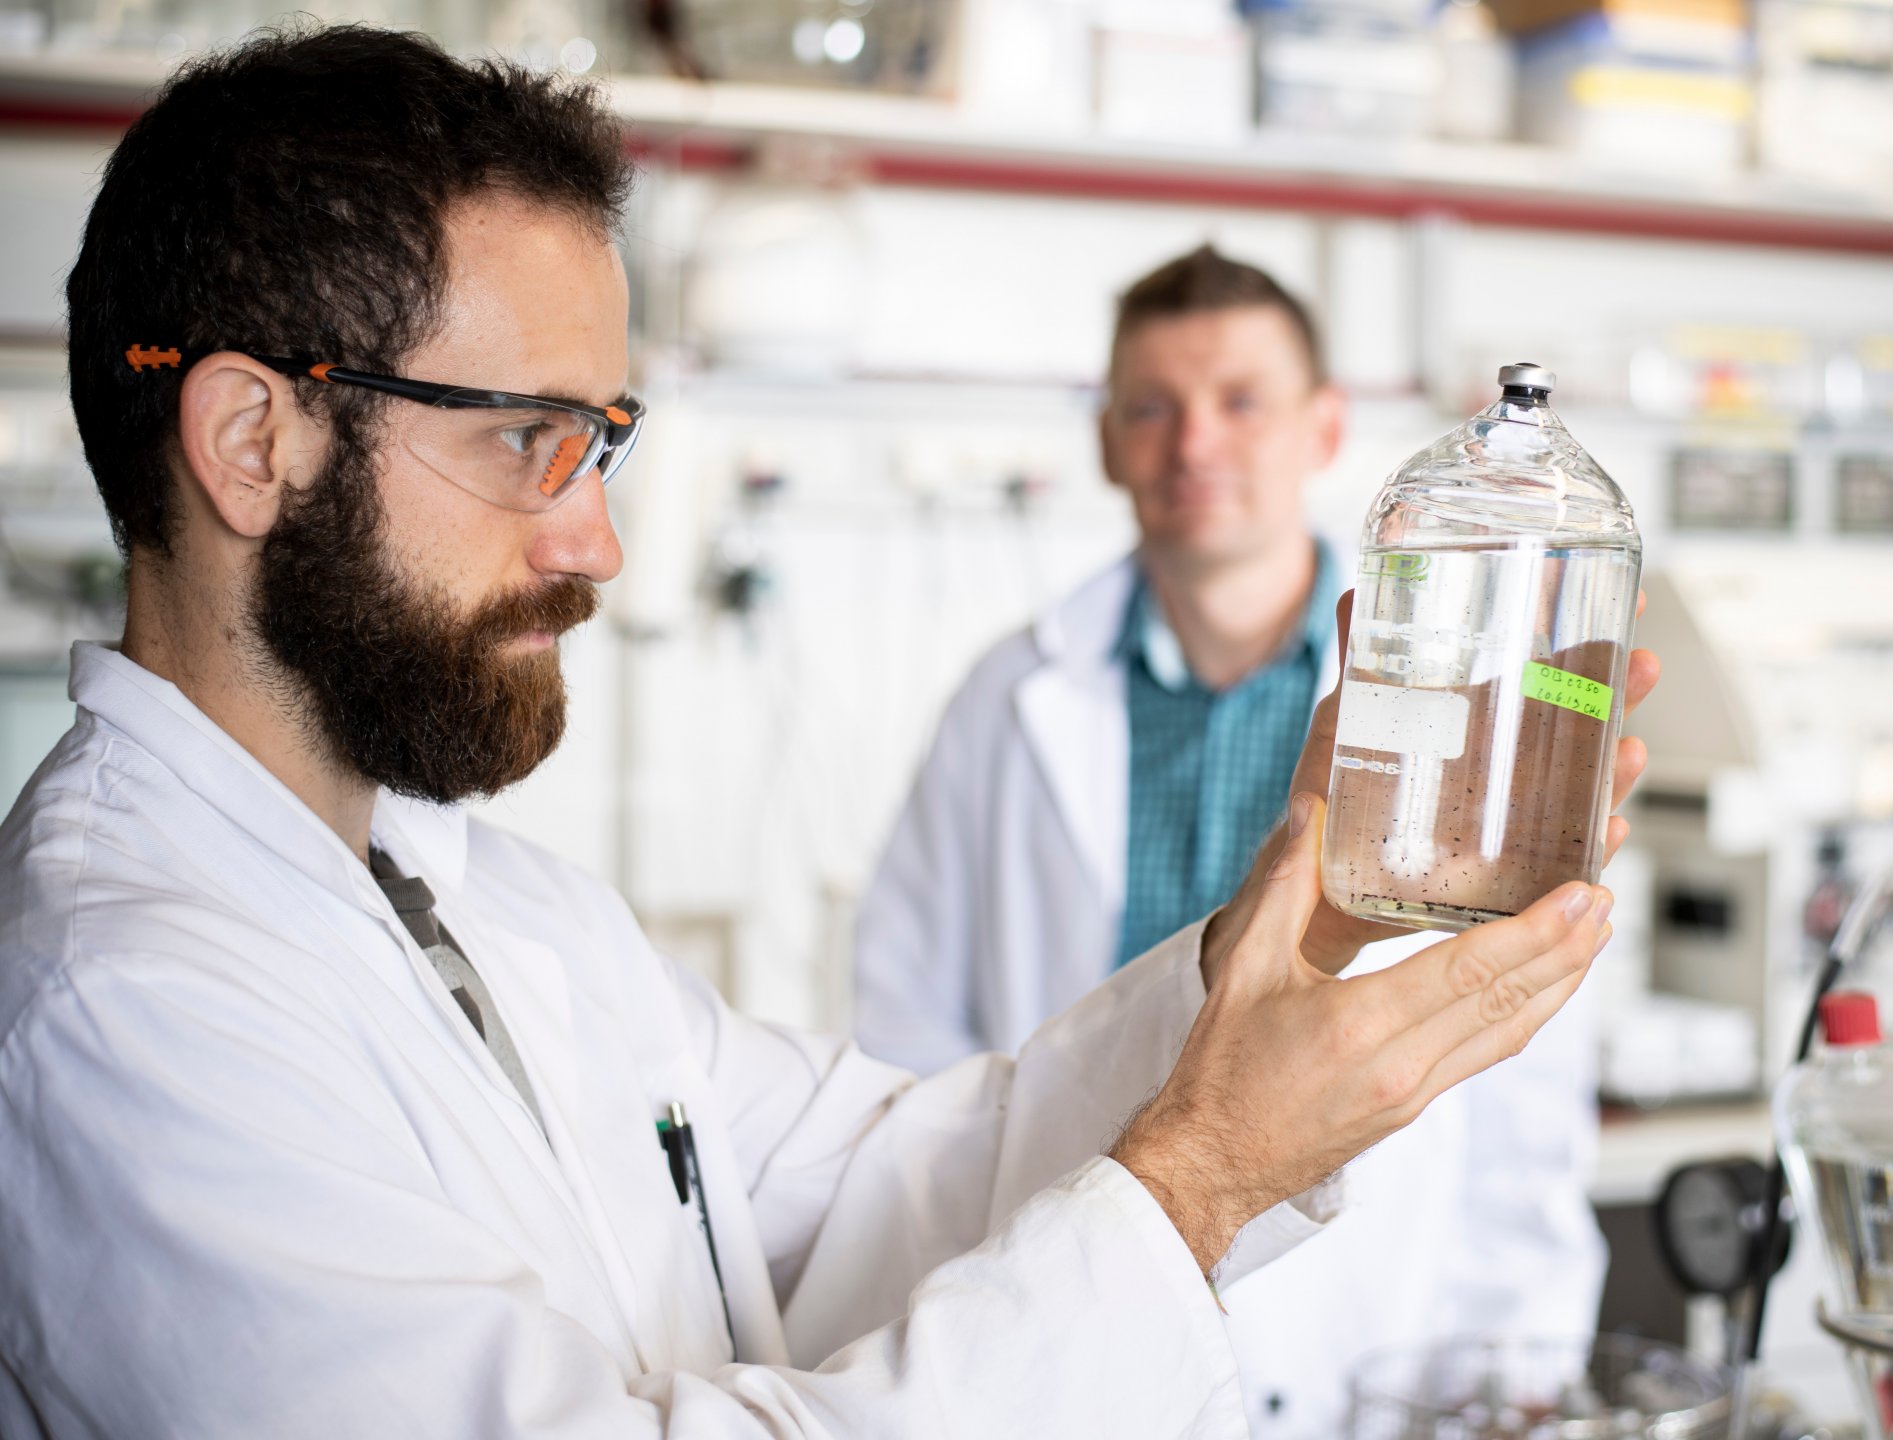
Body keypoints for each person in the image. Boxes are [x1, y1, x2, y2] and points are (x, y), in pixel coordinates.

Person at [0, 29, 1640, 1439]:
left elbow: (886, 1176)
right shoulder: (120, 1011)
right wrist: (1196, 1179)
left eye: (600, 449)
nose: (595, 545)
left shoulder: (491, 903)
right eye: (525, 443)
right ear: (250, 440)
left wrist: (1303, 923)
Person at [852, 247, 1642, 1434]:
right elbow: (905, 1026)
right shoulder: (1006, 702)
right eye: (1152, 409)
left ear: (1325, 428)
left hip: (1375, 1346)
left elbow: (1522, 1070)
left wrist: (1514, 1368)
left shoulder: (1468, 696)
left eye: (1241, 402)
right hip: (1062, 1312)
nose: (1196, 444)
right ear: (1108, 441)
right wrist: (977, 1299)